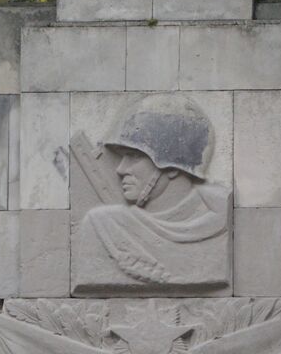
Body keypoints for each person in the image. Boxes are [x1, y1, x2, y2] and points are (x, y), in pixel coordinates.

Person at [72, 96, 230, 294]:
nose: (120, 169)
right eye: (122, 157)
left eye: (135, 156)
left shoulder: (220, 226)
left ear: (172, 167)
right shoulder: (100, 225)